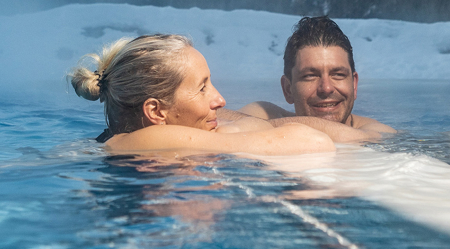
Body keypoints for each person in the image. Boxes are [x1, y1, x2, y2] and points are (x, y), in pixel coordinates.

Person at [69, 33, 340, 156]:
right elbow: (314, 142)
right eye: (202, 88)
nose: (220, 100)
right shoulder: (142, 141)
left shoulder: (129, 142)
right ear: (156, 111)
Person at [235, 16, 395, 133]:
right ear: (288, 89)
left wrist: (261, 126)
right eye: (310, 76)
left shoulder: (378, 133)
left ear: (354, 85)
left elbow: (350, 138)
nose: (326, 88)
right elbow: (216, 119)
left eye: (338, 74)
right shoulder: (267, 114)